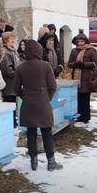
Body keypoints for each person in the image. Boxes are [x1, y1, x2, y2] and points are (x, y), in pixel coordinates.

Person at [13, 39, 63, 171]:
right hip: (43, 102)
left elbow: (16, 88)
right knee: (47, 132)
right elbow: (52, 86)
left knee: (31, 132)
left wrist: (25, 96)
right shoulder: (45, 66)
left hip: (28, 103)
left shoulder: (21, 67)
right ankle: (51, 162)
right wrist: (47, 98)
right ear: (38, 51)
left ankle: (33, 162)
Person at [67, 32, 97, 123]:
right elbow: (69, 63)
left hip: (87, 77)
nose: (80, 43)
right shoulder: (74, 51)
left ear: (85, 41)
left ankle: (86, 117)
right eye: (78, 41)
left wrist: (84, 64)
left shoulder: (91, 50)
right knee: (78, 98)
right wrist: (76, 64)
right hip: (76, 78)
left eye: (81, 41)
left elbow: (95, 63)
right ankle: (79, 115)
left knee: (85, 99)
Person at [0, 31, 19, 127]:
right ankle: (10, 125)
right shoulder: (6, 53)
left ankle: (13, 124)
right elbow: (8, 71)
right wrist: (19, 72)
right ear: (6, 40)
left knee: (13, 106)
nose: (13, 41)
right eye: (11, 39)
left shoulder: (12, 51)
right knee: (10, 105)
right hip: (9, 85)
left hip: (13, 84)